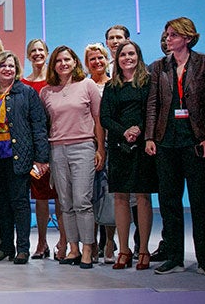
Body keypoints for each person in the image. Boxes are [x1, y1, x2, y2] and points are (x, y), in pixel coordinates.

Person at [145, 17, 205, 276]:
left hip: (196, 140)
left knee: (200, 201)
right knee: (169, 201)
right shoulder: (159, 67)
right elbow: (153, 104)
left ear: (187, 38)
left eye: (173, 35)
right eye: (167, 35)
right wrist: (150, 137)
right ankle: (174, 256)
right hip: (167, 140)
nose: (168, 39)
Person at [40, 45, 104, 269]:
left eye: (67, 59)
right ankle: (73, 248)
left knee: (82, 201)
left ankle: (88, 248)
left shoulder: (87, 85)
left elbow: (98, 119)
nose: (63, 64)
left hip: (84, 147)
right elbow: (46, 125)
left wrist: (100, 149)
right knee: (65, 202)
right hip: (57, 150)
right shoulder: (46, 92)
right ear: (53, 65)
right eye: (58, 61)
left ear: (75, 62)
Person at [0, 50, 49, 265]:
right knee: (1, 203)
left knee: (20, 203)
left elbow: (38, 125)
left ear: (17, 69)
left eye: (11, 66)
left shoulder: (27, 92)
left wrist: (41, 157)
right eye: (3, 65)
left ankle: (23, 247)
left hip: (19, 156)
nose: (7, 69)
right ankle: (6, 246)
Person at [100, 40, 157, 270]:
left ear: (138, 56)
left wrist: (138, 129)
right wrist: (124, 131)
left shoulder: (148, 83)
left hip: (144, 146)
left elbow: (154, 110)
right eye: (123, 55)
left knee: (143, 197)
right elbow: (105, 117)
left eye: (132, 53)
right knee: (120, 198)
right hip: (119, 146)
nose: (127, 58)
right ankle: (123, 250)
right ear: (118, 59)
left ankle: (143, 249)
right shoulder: (112, 86)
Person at [21, 38, 59, 260]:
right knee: (41, 196)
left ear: (47, 53)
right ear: (28, 56)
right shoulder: (23, 84)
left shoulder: (56, 82)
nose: (37, 54)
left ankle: (65, 242)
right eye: (32, 51)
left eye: (40, 50)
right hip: (35, 150)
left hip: (58, 142)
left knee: (62, 196)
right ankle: (42, 242)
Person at [85, 43, 116, 264]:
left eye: (100, 58)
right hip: (88, 146)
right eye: (92, 59)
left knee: (111, 197)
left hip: (113, 145)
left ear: (106, 60)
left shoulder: (115, 85)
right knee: (90, 196)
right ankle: (92, 243)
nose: (97, 62)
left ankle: (109, 243)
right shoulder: (83, 85)